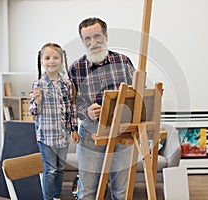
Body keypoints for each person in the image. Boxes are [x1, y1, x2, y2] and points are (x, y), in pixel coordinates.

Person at [69, 17, 135, 200]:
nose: (93, 43)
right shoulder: (75, 68)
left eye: (97, 36)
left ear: (106, 35)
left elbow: (137, 96)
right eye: (87, 39)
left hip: (122, 132)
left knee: (121, 192)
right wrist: (86, 111)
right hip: (90, 132)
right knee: (87, 191)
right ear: (83, 42)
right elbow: (72, 104)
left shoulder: (124, 61)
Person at [29, 43, 79, 200]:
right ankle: (48, 198)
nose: (52, 61)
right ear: (41, 61)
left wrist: (74, 129)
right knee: (50, 170)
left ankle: (56, 197)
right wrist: (37, 101)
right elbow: (33, 111)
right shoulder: (39, 84)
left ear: (62, 60)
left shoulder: (66, 84)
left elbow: (71, 109)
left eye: (56, 57)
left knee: (60, 168)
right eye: (47, 57)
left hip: (63, 136)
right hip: (46, 136)